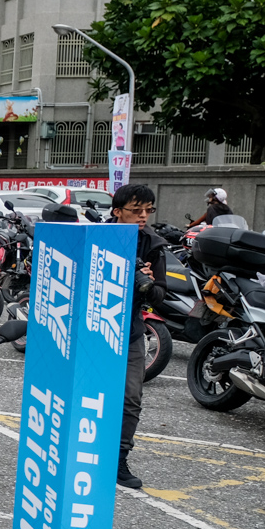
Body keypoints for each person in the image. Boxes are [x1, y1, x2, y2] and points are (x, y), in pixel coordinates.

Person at [111, 182, 166, 490]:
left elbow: (160, 295)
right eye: (136, 210)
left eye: (148, 209)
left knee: (131, 397)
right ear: (117, 211)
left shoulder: (153, 245)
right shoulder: (95, 235)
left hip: (130, 331)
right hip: (90, 331)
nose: (143, 216)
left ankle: (119, 459)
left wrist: (143, 282)